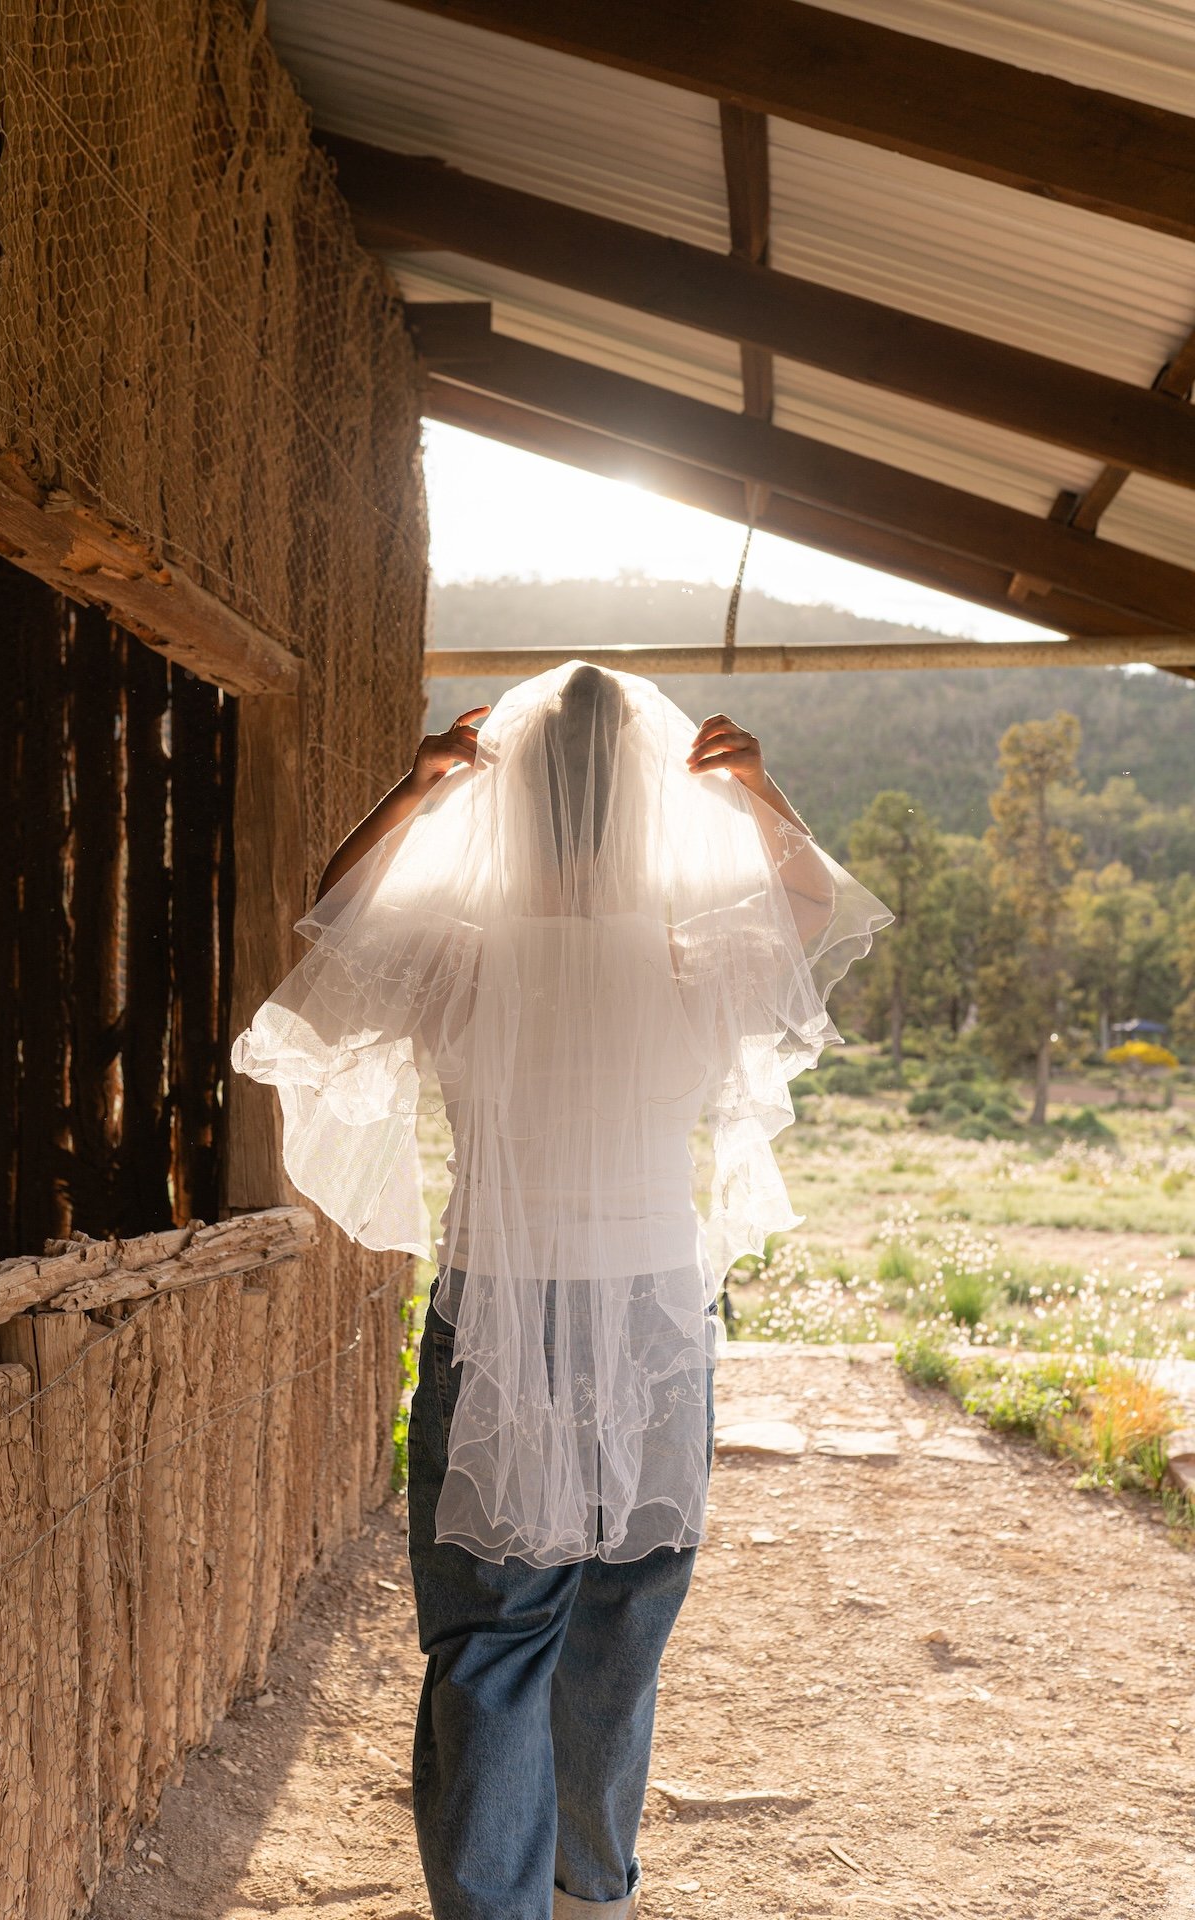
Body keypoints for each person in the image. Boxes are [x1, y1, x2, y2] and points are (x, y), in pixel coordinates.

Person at [231, 661, 892, 1920]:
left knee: (490, 1640)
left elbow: (335, 923)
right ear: (648, 796)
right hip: (650, 1317)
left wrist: (409, 794)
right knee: (620, 1622)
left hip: (498, 1314)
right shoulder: (691, 959)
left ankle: (493, 1908)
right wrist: (757, 792)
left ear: (512, 792)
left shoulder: (458, 957)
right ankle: (591, 1892)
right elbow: (812, 909)